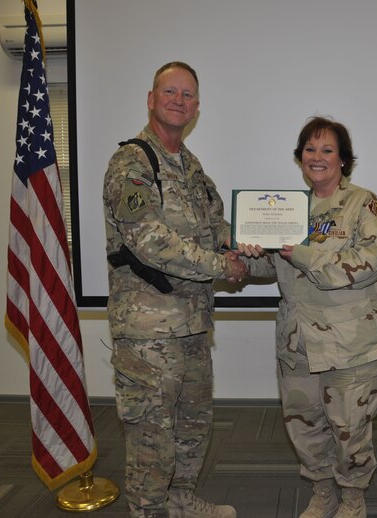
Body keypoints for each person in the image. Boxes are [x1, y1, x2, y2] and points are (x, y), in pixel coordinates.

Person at [103, 61, 246, 518]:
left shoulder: (191, 167)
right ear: (151, 99)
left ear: (197, 107)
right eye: (170, 92)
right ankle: (147, 510)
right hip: (149, 332)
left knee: (192, 424)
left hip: (191, 324)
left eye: (188, 95)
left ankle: (182, 502)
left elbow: (215, 223)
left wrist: (239, 240)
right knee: (151, 437)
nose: (179, 101)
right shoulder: (132, 162)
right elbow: (150, 241)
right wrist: (220, 265)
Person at [239, 116, 377, 518]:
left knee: (350, 432)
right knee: (305, 428)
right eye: (310, 149)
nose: (318, 157)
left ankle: (352, 498)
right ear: (300, 158)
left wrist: (303, 253)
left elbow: (368, 264)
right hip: (298, 344)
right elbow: (275, 268)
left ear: (343, 159)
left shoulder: (365, 204)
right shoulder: (289, 210)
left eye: (327, 150)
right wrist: (244, 256)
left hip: (351, 347)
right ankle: (322, 491)